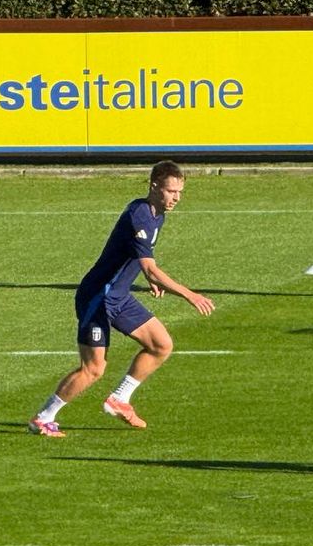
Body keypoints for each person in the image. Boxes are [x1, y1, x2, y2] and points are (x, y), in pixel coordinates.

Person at [28, 161, 215, 438]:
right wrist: (189, 294)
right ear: (154, 187)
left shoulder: (157, 214)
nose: (176, 197)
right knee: (93, 369)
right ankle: (43, 418)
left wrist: (149, 278)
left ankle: (119, 399)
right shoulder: (139, 214)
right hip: (98, 298)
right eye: (170, 191)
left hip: (118, 296)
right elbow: (149, 265)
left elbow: (139, 259)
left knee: (161, 345)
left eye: (180, 192)